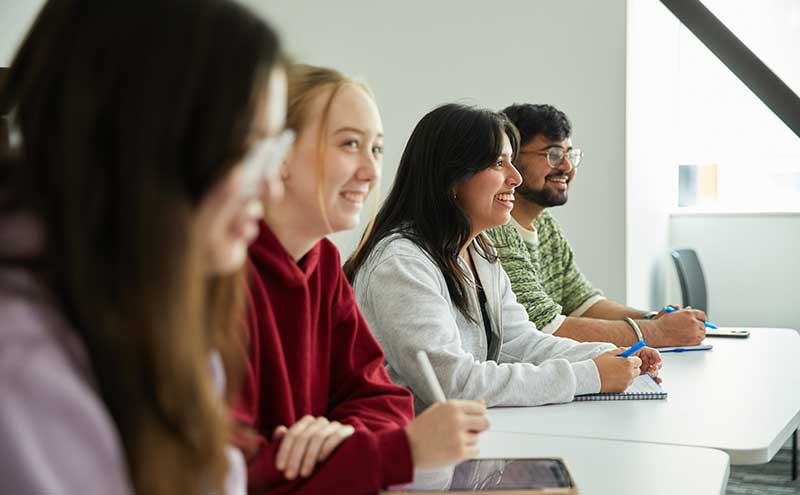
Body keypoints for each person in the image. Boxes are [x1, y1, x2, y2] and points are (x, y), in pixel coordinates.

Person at [0, 1, 287, 494]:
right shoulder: (19, 362)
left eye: (273, 148)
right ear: (147, 142)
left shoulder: (158, 310)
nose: (271, 189)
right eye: (247, 148)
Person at [234, 65, 489, 495]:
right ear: (277, 155)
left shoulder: (323, 263)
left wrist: (343, 440)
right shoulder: (222, 279)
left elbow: (381, 398)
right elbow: (239, 474)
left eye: (376, 149)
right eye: (350, 144)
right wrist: (393, 453)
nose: (372, 173)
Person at [345, 103, 662, 414]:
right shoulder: (400, 263)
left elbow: (520, 342)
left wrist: (609, 356)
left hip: (467, 439)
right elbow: (452, 385)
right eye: (499, 164)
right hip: (415, 452)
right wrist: (591, 375)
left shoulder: (479, 251)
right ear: (453, 176)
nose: (516, 179)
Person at [485, 103, 707, 347]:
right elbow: (543, 328)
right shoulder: (495, 228)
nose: (567, 167)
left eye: (570, 155)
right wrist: (658, 332)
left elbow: (583, 302)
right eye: (553, 154)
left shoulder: (545, 225)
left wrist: (653, 318)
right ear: (511, 157)